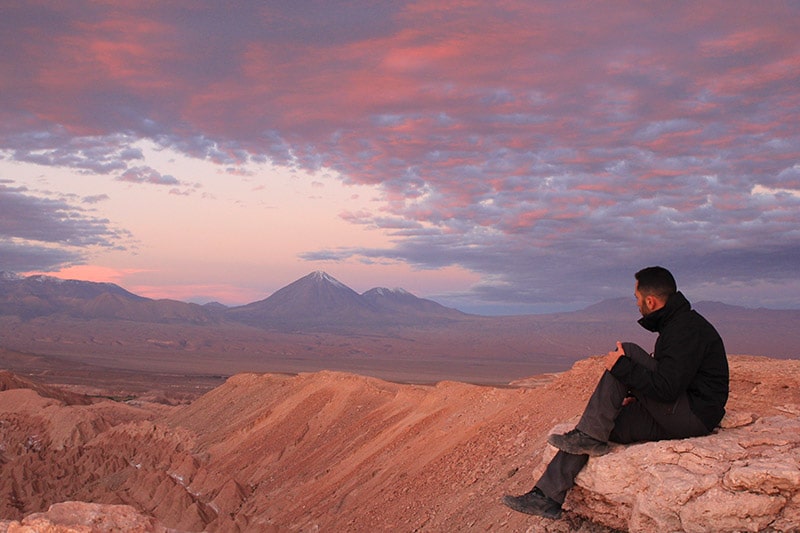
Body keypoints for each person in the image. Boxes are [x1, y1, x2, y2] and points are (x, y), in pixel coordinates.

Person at [503, 266, 729, 519]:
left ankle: (586, 437)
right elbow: (672, 380)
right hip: (679, 412)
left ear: (650, 301)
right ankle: (546, 497)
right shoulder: (677, 325)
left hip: (693, 416)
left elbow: (667, 389)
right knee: (600, 425)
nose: (636, 304)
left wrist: (622, 368)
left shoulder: (685, 329)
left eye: (637, 298)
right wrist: (639, 394)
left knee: (628, 352)